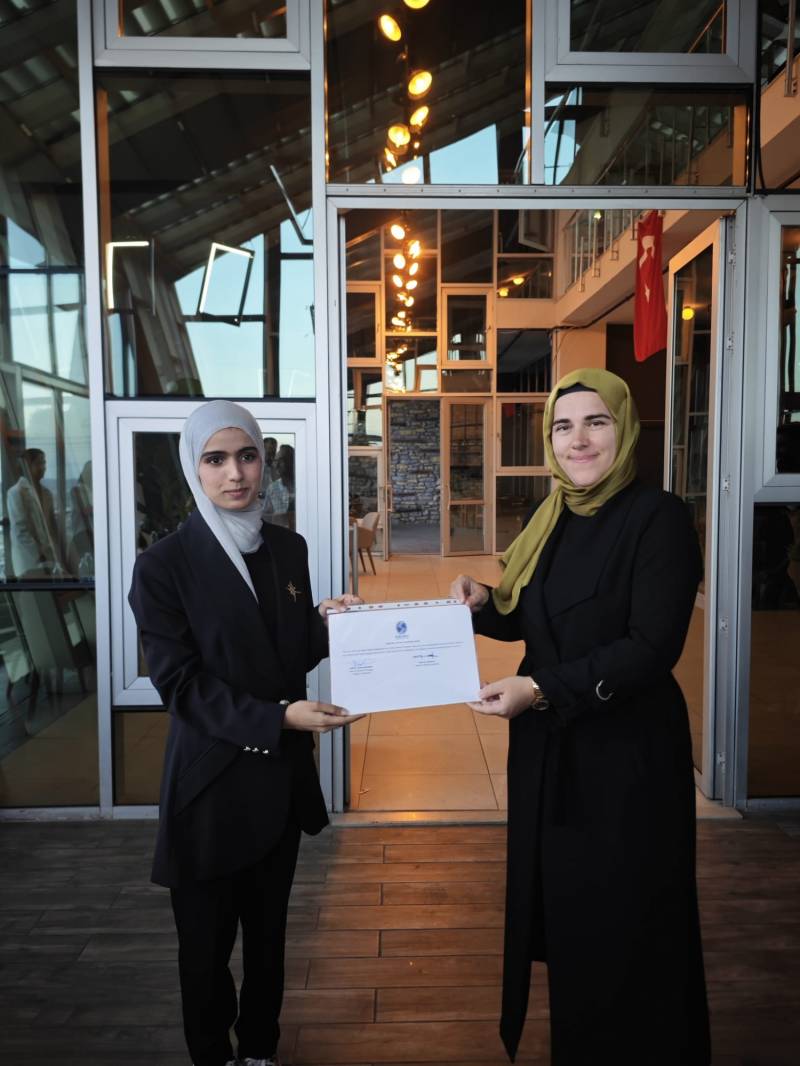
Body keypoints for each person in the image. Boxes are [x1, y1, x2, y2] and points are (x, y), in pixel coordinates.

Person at [451, 368, 710, 1065]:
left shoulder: (657, 517)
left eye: (596, 422)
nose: (579, 440)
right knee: (572, 920)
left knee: (628, 919)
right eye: (563, 426)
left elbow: (651, 647)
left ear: (623, 428)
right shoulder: (553, 516)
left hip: (626, 759)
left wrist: (539, 689)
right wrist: (483, 603)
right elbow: (533, 619)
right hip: (552, 754)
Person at [128, 400, 362, 1066]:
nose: (235, 473)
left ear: (264, 461)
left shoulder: (287, 549)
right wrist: (279, 717)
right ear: (193, 467)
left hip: (277, 783)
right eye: (216, 459)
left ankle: (260, 1048)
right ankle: (212, 1054)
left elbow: (286, 654)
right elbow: (181, 686)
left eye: (247, 456)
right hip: (209, 786)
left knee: (268, 939)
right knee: (204, 952)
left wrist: (328, 625)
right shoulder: (164, 566)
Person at [6, 448, 64, 578]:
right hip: (29, 559)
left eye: (44, 463)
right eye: (39, 463)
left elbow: (51, 527)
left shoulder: (47, 494)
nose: (43, 467)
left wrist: (53, 555)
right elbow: (21, 530)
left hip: (49, 559)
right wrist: (40, 555)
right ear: (27, 466)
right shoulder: (15, 492)